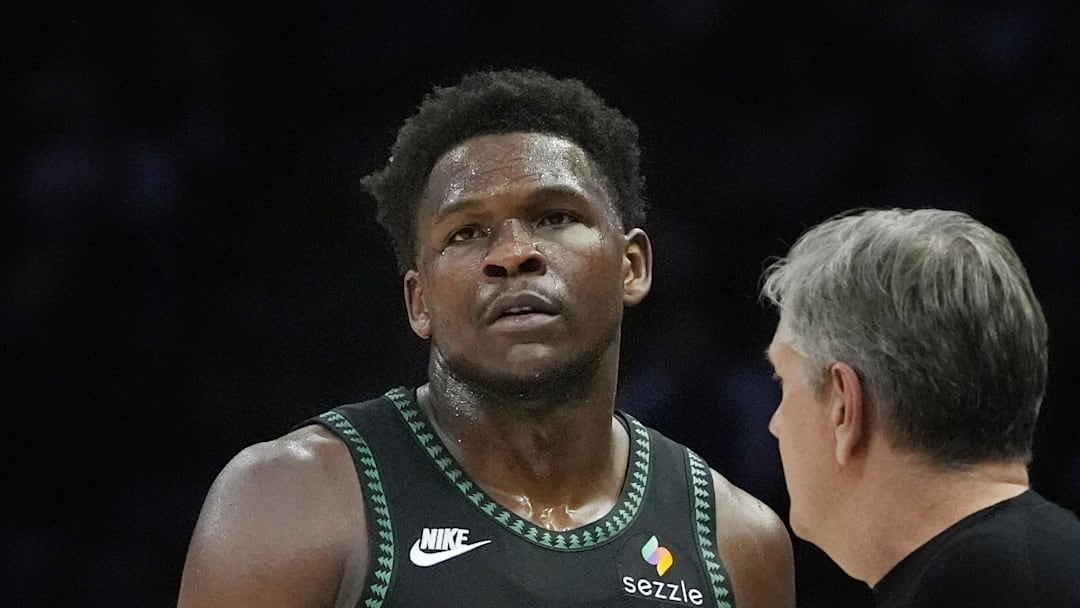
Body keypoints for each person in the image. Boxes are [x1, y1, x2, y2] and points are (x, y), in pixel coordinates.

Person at [178, 69, 795, 608]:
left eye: (555, 217)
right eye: (466, 233)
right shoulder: (290, 500)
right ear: (419, 302)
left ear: (632, 266)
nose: (512, 254)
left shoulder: (735, 542)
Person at [760, 208, 1080, 607]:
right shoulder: (1043, 562)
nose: (775, 424)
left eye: (783, 382)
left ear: (843, 405)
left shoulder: (971, 589)